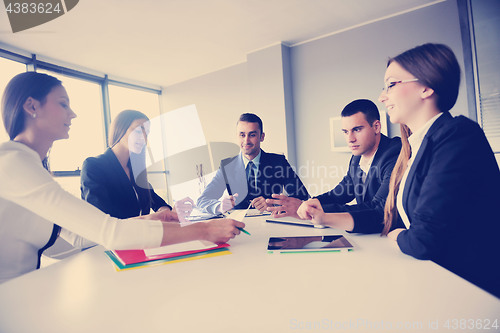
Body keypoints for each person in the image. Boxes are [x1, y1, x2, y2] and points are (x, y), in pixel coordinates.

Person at [0, 72, 244, 284]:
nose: (73, 113)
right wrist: (204, 230)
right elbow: (108, 230)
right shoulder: (13, 163)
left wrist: (152, 217)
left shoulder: (32, 169)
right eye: (63, 104)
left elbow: (81, 239)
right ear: (32, 107)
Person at [377, 43, 500, 297]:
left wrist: (399, 235)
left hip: (471, 291)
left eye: (391, 84)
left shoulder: (457, 135)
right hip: (436, 281)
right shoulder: (417, 145)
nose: (382, 96)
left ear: (426, 87)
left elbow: (423, 240)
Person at [269, 99, 402, 234]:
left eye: (357, 129)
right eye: (345, 132)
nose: (350, 139)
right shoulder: (356, 158)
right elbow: (339, 194)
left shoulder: (395, 154)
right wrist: (308, 203)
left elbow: (379, 208)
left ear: (376, 127)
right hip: (371, 236)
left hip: (393, 238)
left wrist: (315, 211)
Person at [197, 113, 309, 215]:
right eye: (242, 135)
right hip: (238, 229)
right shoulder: (227, 166)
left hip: (272, 224)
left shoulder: (278, 162)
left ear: (262, 137)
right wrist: (219, 206)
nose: (246, 141)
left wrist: (273, 205)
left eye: (252, 135)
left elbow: (302, 198)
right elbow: (202, 200)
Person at [81, 110, 179, 220]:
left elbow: (156, 201)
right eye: (138, 131)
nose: (144, 138)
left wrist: (166, 211)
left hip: (140, 235)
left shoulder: (135, 170)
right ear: (120, 129)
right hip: (113, 236)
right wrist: (154, 218)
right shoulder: (94, 166)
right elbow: (103, 221)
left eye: (147, 133)